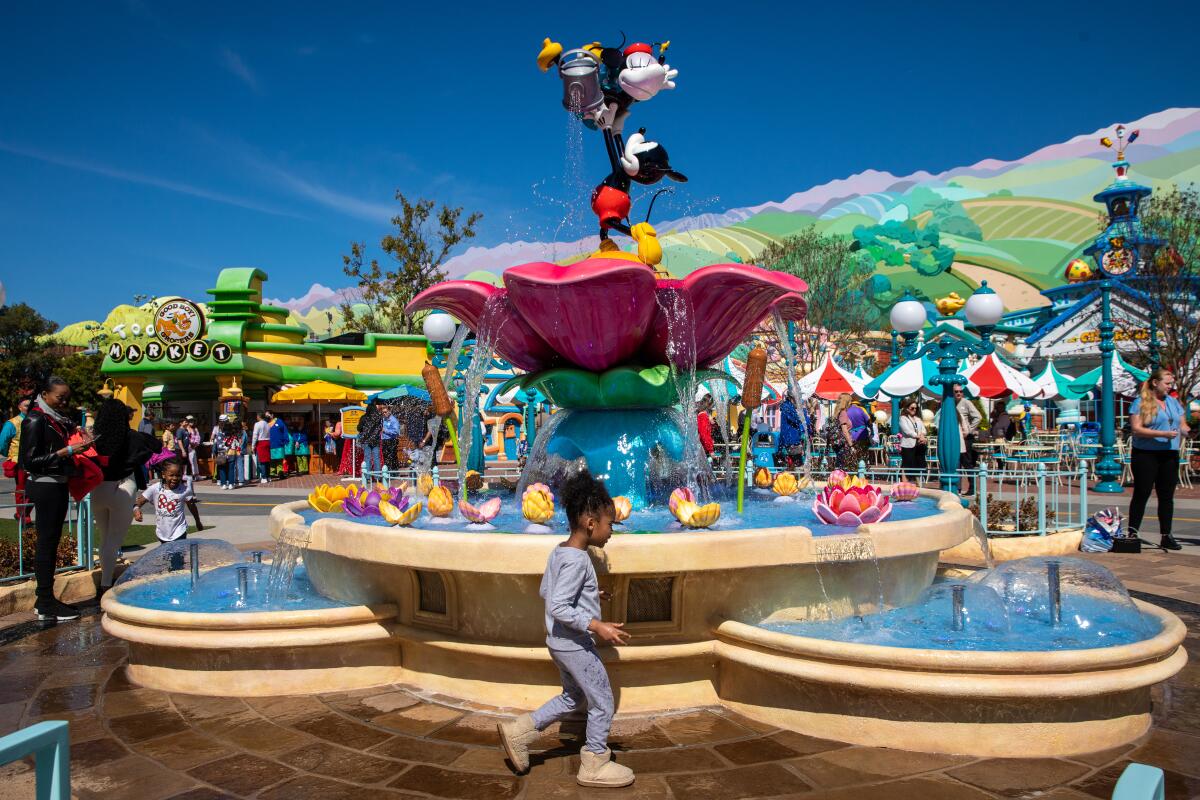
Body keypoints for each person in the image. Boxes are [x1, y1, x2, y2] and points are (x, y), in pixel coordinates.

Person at [496, 470, 634, 788]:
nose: (611, 531)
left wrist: (589, 594)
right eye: (609, 523)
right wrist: (596, 624)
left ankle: (519, 732)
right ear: (590, 523)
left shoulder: (560, 551)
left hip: (557, 642)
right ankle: (595, 762)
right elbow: (558, 605)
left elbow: (549, 591)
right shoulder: (580, 560)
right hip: (575, 644)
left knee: (573, 697)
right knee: (602, 701)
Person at [18, 377, 93, 621]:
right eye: (60, 397)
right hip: (45, 485)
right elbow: (27, 462)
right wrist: (67, 451)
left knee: (51, 542)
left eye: (66, 398)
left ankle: (46, 600)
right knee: (47, 543)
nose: (64, 402)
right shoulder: (36, 419)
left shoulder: (55, 420)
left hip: (57, 484)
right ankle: (45, 601)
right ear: (45, 394)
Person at [90, 399, 158, 595]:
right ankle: (105, 585)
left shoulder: (94, 438)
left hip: (99, 489)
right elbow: (156, 446)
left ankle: (105, 579)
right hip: (122, 486)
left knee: (105, 538)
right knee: (114, 539)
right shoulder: (131, 437)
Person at [1128, 369, 1190, 551]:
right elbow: (1136, 429)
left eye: (1172, 384)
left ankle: (1166, 535)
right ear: (1155, 383)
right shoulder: (1140, 403)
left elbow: (1182, 425)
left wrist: (1188, 431)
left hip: (1169, 453)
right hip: (1145, 453)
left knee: (1167, 496)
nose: (1170, 387)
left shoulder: (1173, 402)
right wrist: (1161, 433)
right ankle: (1132, 534)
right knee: (1142, 493)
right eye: (1167, 383)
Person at [134, 459, 203, 542]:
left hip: (179, 532)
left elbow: (192, 506)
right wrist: (136, 510)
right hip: (162, 533)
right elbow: (139, 502)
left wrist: (198, 522)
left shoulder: (185, 490)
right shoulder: (155, 488)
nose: (175, 478)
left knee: (176, 555)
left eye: (178, 475)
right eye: (171, 475)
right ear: (163, 475)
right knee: (166, 555)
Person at [1, 397, 32, 523]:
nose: (28, 408)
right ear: (19, 407)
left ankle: (23, 514)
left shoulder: (38, 419)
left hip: (35, 460)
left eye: (30, 405)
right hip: (20, 461)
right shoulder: (12, 423)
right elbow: (2, 443)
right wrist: (8, 454)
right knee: (22, 488)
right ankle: (23, 516)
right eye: (25, 405)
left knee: (33, 488)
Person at [950, 385, 983, 495]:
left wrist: (968, 430)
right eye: (956, 391)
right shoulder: (949, 403)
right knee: (956, 462)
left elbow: (978, 417)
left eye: (960, 391)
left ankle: (972, 488)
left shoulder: (966, 402)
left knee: (967, 462)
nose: (958, 393)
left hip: (965, 437)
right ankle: (957, 488)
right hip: (954, 436)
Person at [834, 393, 871, 471]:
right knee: (851, 463)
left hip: (845, 441)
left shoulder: (841, 412)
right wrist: (851, 445)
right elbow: (844, 431)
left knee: (848, 463)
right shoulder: (844, 413)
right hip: (848, 442)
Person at [898, 398, 928, 479]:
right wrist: (919, 436)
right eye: (912, 408)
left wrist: (922, 435)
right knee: (906, 464)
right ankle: (904, 483)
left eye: (916, 408)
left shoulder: (918, 419)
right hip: (908, 445)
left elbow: (924, 430)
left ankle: (918, 484)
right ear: (907, 408)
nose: (914, 410)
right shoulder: (903, 418)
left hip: (919, 445)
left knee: (918, 465)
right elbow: (907, 431)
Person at [776, 395, 804, 469]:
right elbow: (796, 420)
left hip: (791, 441)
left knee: (793, 466)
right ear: (792, 398)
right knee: (799, 466)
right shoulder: (788, 408)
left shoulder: (788, 407)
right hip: (791, 441)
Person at [213, 420, 241, 489]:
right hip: (232, 454)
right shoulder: (234, 435)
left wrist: (214, 452)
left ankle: (223, 484)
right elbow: (238, 445)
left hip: (222, 454)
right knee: (231, 469)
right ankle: (231, 484)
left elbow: (217, 445)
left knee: (222, 469)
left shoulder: (220, 434)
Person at [359, 404, 383, 477]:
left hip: (366, 440)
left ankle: (367, 477)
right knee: (376, 458)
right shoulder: (378, 418)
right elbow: (380, 428)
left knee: (367, 458)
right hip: (376, 441)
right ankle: (378, 477)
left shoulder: (363, 418)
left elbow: (359, 428)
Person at [268, 412, 290, 479]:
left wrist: (286, 440)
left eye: (268, 414)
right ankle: (272, 473)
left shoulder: (279, 421)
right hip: (270, 444)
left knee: (280, 459)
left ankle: (280, 473)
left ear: (272, 415)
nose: (267, 416)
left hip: (279, 444)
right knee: (272, 460)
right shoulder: (266, 423)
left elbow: (285, 431)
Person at [380, 404, 401, 471]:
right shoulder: (383, 420)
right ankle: (388, 470)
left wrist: (385, 431)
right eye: (383, 412)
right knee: (385, 456)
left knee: (392, 456)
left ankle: (394, 471)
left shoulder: (393, 420)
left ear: (389, 411)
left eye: (385, 412)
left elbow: (396, 431)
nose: (384, 413)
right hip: (384, 440)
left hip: (392, 440)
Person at [252, 412, 271, 484]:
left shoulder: (257, 424)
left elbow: (255, 436)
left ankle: (264, 477)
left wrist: (253, 446)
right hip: (267, 442)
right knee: (267, 460)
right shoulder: (267, 424)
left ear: (259, 416)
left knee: (261, 461)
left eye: (257, 416)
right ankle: (268, 476)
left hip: (261, 442)